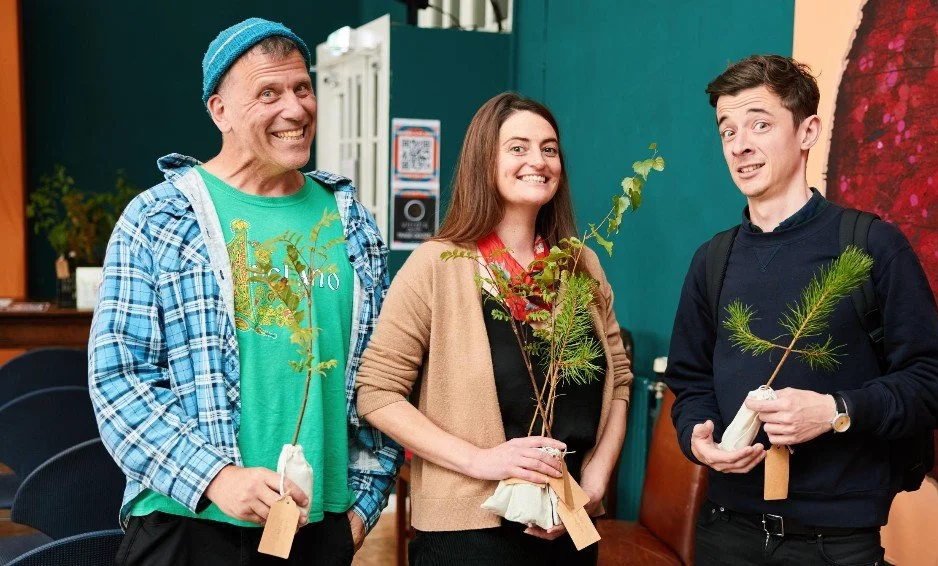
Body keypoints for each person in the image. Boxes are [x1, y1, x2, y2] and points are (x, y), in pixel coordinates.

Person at [88, 17, 402, 565]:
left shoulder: (350, 223)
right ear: (220, 111)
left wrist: (362, 508)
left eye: (302, 88)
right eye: (268, 93)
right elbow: (118, 379)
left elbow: (386, 374)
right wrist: (215, 477)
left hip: (316, 530)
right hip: (186, 526)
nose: (295, 109)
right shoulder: (160, 219)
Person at [664, 55, 938, 565]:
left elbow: (936, 382)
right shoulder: (712, 260)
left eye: (760, 124)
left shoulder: (872, 247)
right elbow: (690, 383)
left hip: (836, 545)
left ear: (808, 132)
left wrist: (835, 411)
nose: (740, 145)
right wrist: (698, 437)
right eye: (727, 130)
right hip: (723, 532)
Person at [356, 92, 631, 565]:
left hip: (570, 524)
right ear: (485, 161)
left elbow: (620, 383)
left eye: (549, 148)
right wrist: (479, 460)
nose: (538, 161)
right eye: (518, 148)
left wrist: (593, 486)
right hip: (468, 534)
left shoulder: (581, 263)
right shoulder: (436, 265)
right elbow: (376, 393)